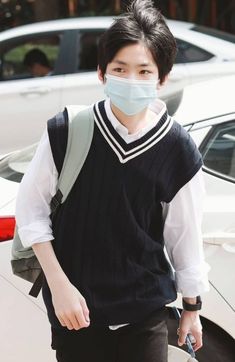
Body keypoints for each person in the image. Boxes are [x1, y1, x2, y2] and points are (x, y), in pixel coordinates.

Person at [15, 1, 209, 361]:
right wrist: (60, 288)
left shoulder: (177, 148)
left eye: (143, 71)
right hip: (75, 310)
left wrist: (192, 308)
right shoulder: (67, 130)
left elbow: (185, 237)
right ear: (102, 73)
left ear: (161, 78)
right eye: (120, 69)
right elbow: (31, 212)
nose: (131, 80)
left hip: (145, 312)